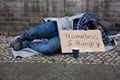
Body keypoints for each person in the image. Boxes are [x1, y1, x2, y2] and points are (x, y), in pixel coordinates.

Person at [10, 13, 111, 55]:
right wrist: (92, 27)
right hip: (58, 26)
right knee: (35, 32)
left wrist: (99, 31)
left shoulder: (98, 34)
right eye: (101, 26)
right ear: (99, 22)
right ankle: (20, 38)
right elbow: (78, 26)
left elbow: (105, 42)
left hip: (64, 39)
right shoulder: (89, 17)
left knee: (48, 48)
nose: (100, 28)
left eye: (102, 29)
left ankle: (26, 44)